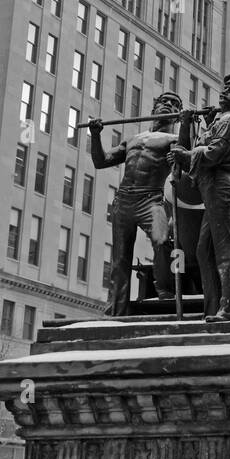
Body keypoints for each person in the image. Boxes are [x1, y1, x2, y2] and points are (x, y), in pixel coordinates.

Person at [88, 92, 183, 316]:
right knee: (120, 257)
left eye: (173, 104)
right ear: (153, 110)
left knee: (162, 241)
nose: (167, 104)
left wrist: (188, 126)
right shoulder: (133, 139)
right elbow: (101, 161)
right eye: (163, 101)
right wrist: (95, 135)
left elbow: (183, 168)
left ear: (177, 117)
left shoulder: (175, 141)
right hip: (123, 200)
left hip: (151, 199)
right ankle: (117, 307)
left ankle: (166, 293)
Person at [169, 72, 230, 322]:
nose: (224, 92)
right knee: (204, 249)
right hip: (210, 186)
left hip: (218, 185)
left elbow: (212, 154)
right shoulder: (221, 120)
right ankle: (214, 307)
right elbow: (202, 145)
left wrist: (185, 156)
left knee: (224, 246)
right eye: (224, 88)